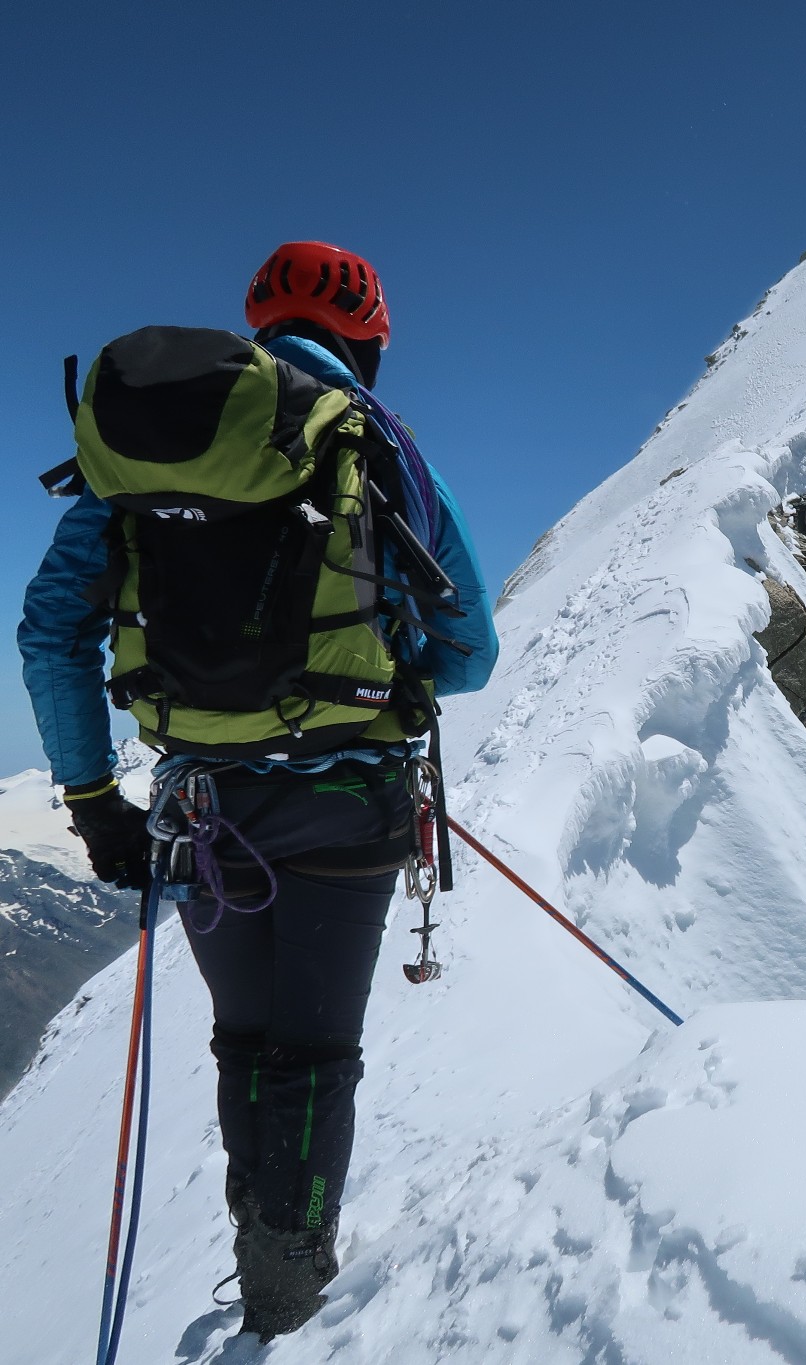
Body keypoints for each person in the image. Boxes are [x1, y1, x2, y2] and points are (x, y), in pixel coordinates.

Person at [19, 241, 498, 1340]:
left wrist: (96, 803)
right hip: (352, 799)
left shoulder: (142, 458)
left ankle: (259, 1236)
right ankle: (289, 1289)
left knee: (246, 1037)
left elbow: (52, 628)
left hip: (200, 811)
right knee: (317, 1049)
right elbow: (468, 650)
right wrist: (384, 675)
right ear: (367, 339)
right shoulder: (375, 445)